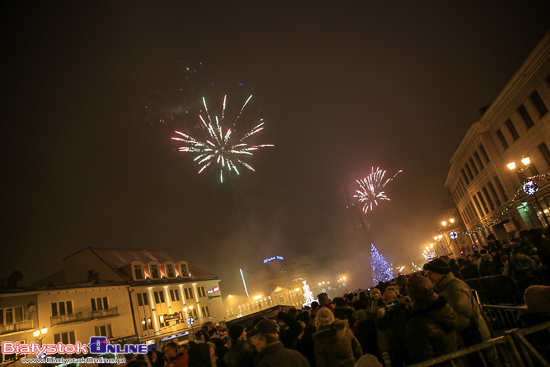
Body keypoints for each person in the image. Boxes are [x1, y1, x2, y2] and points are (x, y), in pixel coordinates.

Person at [424, 258, 493, 364]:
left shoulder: (455, 288)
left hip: (474, 340)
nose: (428, 277)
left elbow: (460, 321)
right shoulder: (443, 288)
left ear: (440, 273)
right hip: (466, 341)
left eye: (430, 274)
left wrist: (439, 328)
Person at [405, 274, 462, 366]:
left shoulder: (417, 322)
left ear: (412, 297)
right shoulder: (444, 307)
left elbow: (422, 358)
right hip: (455, 362)